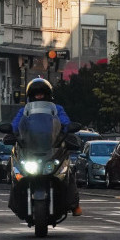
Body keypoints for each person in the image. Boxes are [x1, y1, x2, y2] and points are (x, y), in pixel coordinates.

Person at [10, 77, 79, 216]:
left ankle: (74, 204)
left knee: (68, 171)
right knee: (14, 168)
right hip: (30, 149)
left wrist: (67, 129)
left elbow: (64, 121)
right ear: (31, 96)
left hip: (52, 147)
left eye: (41, 93)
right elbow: (16, 125)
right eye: (36, 94)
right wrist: (12, 132)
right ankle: (16, 201)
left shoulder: (57, 109)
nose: (39, 96)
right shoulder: (23, 111)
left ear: (48, 95)